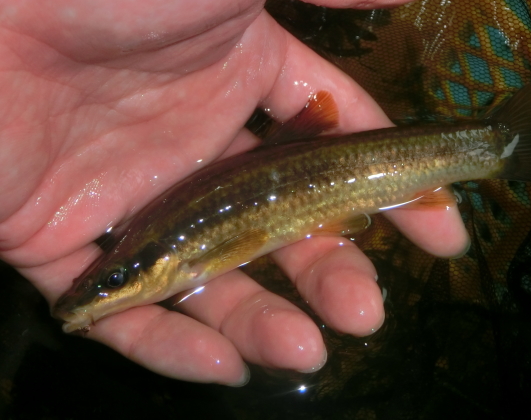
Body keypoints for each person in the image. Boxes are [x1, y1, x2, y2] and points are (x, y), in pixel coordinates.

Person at [0, 0, 469, 386]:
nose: (104, 294)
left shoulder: (166, 248)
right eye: (107, 285)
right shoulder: (151, 241)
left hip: (321, 172)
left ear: (156, 265)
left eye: (113, 284)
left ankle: (497, 147)